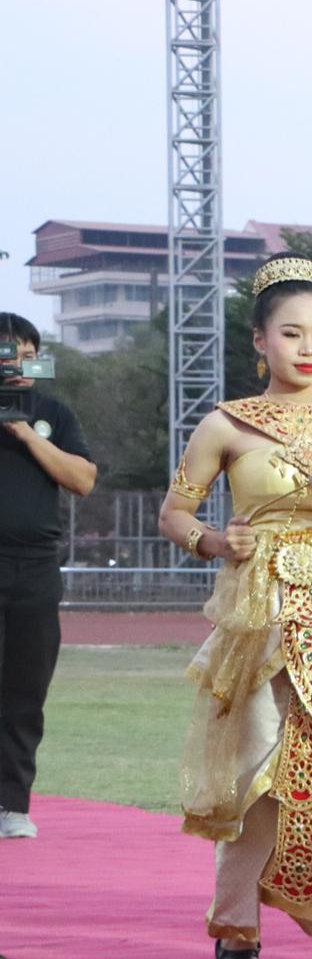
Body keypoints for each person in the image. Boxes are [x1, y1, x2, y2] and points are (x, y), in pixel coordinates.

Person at [160, 257, 312, 959]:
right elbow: (176, 511)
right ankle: (238, 919)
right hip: (259, 609)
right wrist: (211, 539)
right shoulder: (226, 423)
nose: (308, 347)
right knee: (257, 764)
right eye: (291, 332)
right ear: (260, 340)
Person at [0, 310, 93, 839]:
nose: (19, 362)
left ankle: (12, 804)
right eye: (8, 352)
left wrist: (26, 434)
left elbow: (82, 479)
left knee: (25, 689)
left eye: (29, 353)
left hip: (35, 569)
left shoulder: (52, 413)